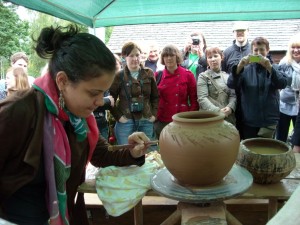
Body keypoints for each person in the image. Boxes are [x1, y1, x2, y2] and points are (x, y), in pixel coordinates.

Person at [0, 25, 151, 225]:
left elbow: (102, 154)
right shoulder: (18, 111)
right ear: (62, 80)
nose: (100, 101)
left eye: (103, 93)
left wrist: (133, 152)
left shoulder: (78, 119)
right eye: (93, 93)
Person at [227, 37, 287, 139]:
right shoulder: (245, 70)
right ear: (251, 52)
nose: (259, 53)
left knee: (267, 151)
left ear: (267, 51)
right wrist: (239, 67)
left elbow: (282, 84)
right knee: (250, 150)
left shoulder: (275, 68)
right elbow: (231, 84)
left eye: (262, 50)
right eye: (256, 50)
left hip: (269, 120)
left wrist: (269, 68)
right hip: (249, 120)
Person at [109, 41, 159, 146]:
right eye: (131, 55)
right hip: (126, 121)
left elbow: (155, 97)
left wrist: (154, 115)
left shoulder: (148, 73)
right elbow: (110, 99)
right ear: (124, 57)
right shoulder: (119, 76)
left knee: (148, 154)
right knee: (126, 153)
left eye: (137, 55)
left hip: (146, 119)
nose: (135, 59)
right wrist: (119, 117)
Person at [154, 44, 199, 138]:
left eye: (171, 55)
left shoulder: (188, 75)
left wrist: (190, 117)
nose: (169, 58)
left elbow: (194, 100)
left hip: (182, 119)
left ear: (177, 57)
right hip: (162, 120)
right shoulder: (157, 76)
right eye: (166, 56)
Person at [222, 21, 251, 140]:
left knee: (248, 128)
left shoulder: (253, 50)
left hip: (250, 95)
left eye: (243, 31)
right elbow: (223, 74)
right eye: (237, 31)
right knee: (234, 128)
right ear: (233, 33)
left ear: (248, 32)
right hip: (233, 96)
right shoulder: (227, 52)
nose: (240, 33)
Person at [197, 46, 236, 124]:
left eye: (215, 56)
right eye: (210, 57)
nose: (213, 59)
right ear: (207, 60)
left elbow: (233, 95)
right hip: (210, 118)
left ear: (221, 57)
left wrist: (230, 107)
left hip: (228, 118)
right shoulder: (203, 76)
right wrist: (217, 111)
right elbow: (202, 98)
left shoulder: (228, 77)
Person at [276, 33, 300, 143]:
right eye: (293, 47)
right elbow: (279, 83)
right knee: (281, 137)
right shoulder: (284, 63)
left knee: (298, 139)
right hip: (284, 105)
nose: (296, 50)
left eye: (298, 47)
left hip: (298, 106)